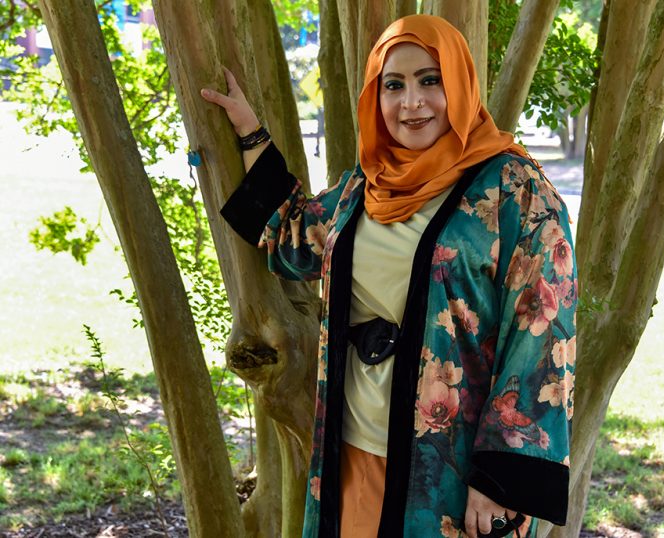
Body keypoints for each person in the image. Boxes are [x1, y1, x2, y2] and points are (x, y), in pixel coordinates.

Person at [201, 14, 577, 538]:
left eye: (430, 80)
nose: (411, 102)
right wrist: (248, 131)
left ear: (461, 84)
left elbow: (542, 339)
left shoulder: (516, 192)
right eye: (393, 85)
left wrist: (500, 482)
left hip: (450, 469)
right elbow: (294, 235)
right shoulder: (367, 184)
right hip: (352, 448)